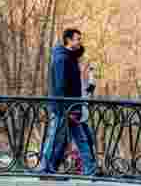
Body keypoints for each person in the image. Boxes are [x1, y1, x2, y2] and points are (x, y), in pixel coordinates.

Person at [36, 28, 97, 176]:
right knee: (55, 137)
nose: (80, 42)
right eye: (78, 39)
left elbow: (79, 52)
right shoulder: (62, 59)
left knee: (81, 139)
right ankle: (44, 168)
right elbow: (59, 86)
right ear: (69, 40)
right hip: (63, 108)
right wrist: (66, 109)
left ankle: (90, 169)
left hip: (73, 107)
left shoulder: (70, 57)